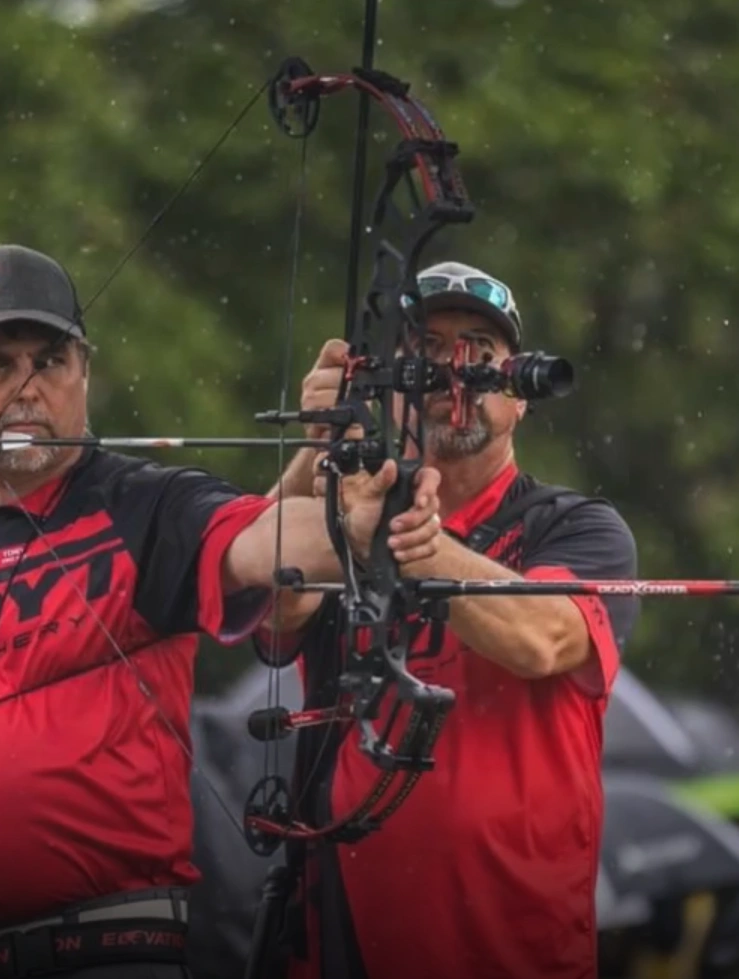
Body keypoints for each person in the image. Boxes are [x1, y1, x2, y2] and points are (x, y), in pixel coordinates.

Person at [0, 243, 443, 979]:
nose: (27, 387)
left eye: (50, 362)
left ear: (84, 371)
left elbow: (265, 540)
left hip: (98, 950)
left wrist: (350, 522)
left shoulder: (147, 503)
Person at [265, 260, 641, 979]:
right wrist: (318, 442)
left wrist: (421, 547)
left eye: (479, 351)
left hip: (512, 949)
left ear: (521, 392)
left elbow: (542, 638)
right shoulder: (344, 513)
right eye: (427, 354)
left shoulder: (575, 527)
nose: (455, 372)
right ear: (383, 385)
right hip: (337, 941)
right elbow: (272, 609)